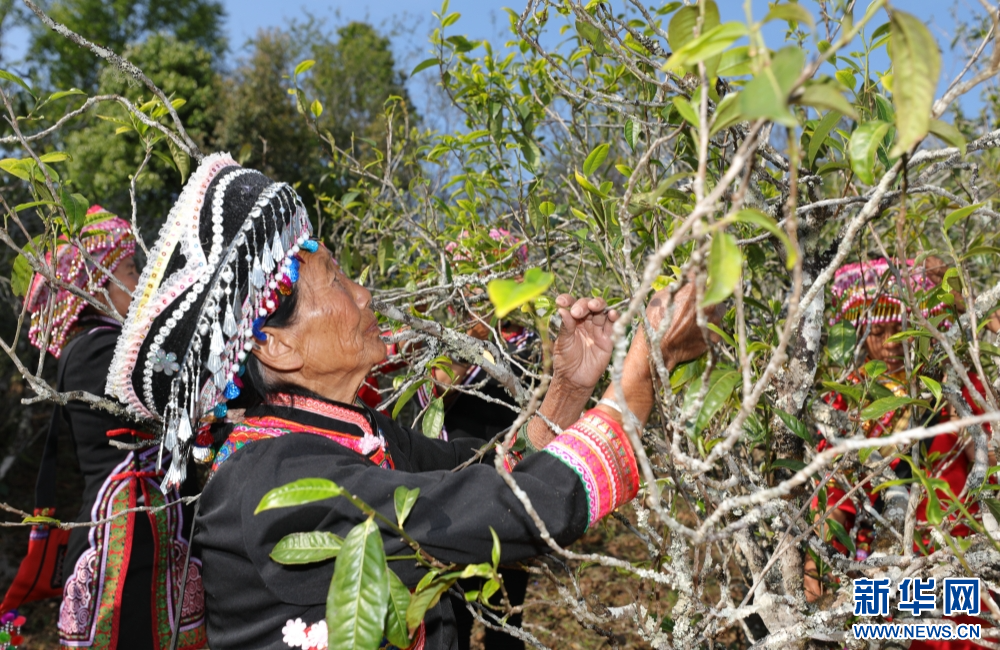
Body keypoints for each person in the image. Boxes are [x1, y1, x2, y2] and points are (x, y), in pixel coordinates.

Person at [105, 154, 713, 650]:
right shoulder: (273, 483)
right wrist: (636, 386)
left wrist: (570, 388)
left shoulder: (353, 434)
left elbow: (485, 478)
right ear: (278, 346)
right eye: (336, 279)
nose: (364, 294)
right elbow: (506, 511)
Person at [12, 206, 206, 649]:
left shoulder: (109, 344)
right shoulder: (96, 350)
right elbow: (171, 389)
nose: (142, 283)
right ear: (97, 283)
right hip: (127, 551)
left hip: (147, 541)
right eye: (132, 271)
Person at [805, 258, 998, 617]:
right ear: (861, 332)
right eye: (878, 330)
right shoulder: (844, 402)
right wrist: (815, 563)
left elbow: (991, 464)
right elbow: (834, 494)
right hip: (880, 557)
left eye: (902, 328)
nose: (892, 342)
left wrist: (969, 306)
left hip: (954, 551)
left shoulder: (952, 386)